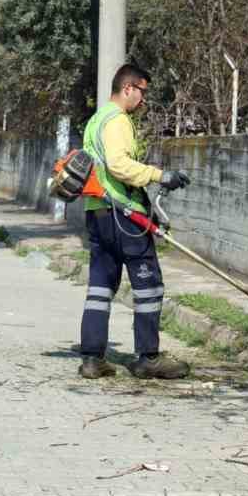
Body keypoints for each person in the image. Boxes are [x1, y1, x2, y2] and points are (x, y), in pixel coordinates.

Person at [76, 63, 193, 380]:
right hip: (123, 214)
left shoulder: (96, 120)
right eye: (142, 92)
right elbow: (118, 165)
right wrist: (160, 175)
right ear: (128, 88)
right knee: (148, 286)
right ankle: (148, 358)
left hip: (97, 212)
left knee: (100, 287)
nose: (143, 100)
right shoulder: (117, 120)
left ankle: (91, 358)